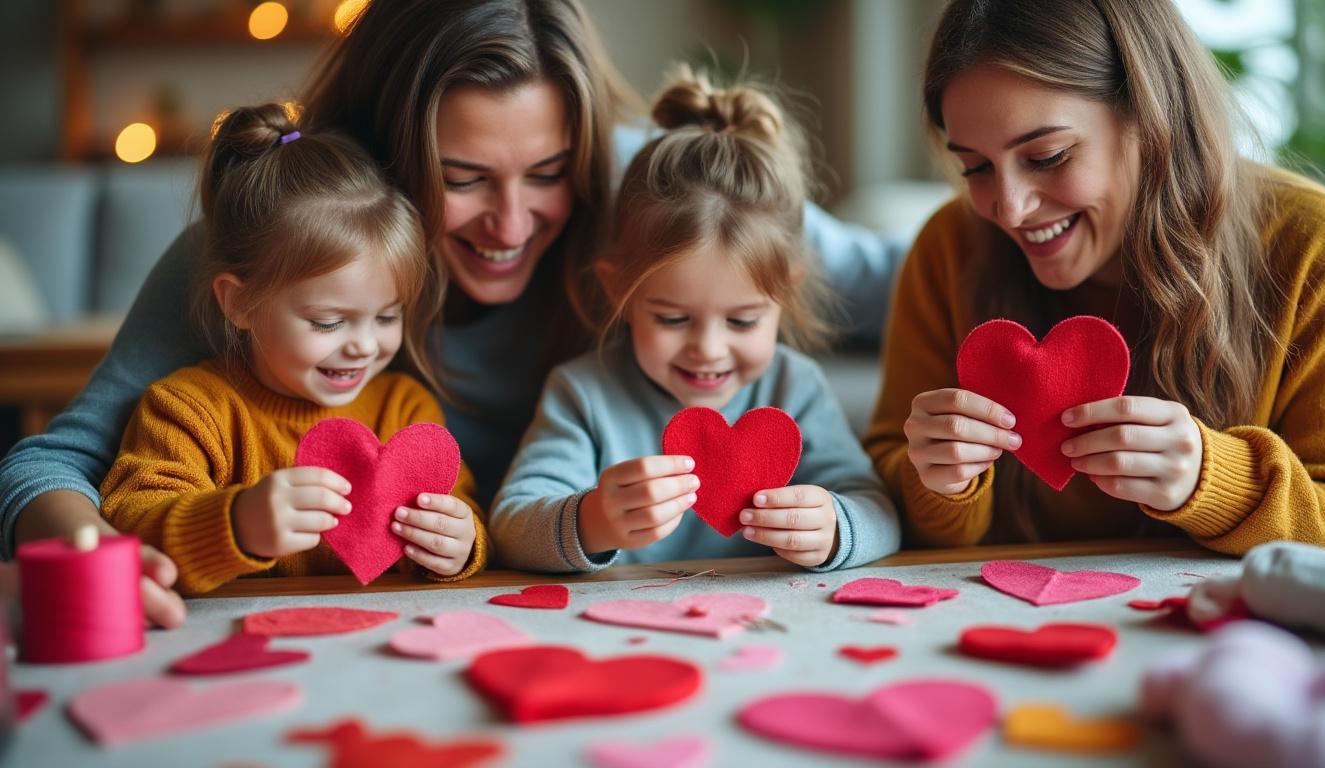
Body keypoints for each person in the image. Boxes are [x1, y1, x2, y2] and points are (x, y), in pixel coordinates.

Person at [0, 0, 907, 624]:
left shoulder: (651, 192)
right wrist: (92, 555)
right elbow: (54, 462)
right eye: (463, 180)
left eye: (547, 175)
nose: (511, 225)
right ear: (392, 157)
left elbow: (889, 278)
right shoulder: (291, 237)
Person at [864, 0, 1325, 552]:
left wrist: (1214, 481)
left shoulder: (1315, 248)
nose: (1010, 208)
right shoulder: (950, 248)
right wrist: (937, 482)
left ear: (1151, 116)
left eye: (1048, 156)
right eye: (976, 167)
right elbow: (886, 491)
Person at [491, 66, 901, 573]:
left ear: (784, 294)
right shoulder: (584, 394)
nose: (707, 348)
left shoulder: (795, 387)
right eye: (673, 319)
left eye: (743, 322)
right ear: (618, 287)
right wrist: (591, 520)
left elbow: (879, 511)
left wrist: (837, 527)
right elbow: (511, 524)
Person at [98, 104, 486, 594]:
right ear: (239, 304)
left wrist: (460, 543)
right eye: (328, 322)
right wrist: (235, 524)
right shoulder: (188, 410)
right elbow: (130, 522)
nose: (365, 345)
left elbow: (463, 507)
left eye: (388, 316)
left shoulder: (405, 407)